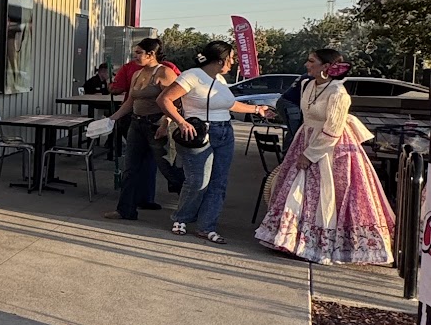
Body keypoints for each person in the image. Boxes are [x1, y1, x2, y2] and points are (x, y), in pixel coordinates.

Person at [254, 49, 394, 264]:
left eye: (311, 61)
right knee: (299, 189)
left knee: (330, 193)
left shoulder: (338, 93)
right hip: (306, 136)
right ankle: (293, 239)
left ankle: (325, 244)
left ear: (326, 67)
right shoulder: (306, 85)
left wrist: (310, 154)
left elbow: (333, 129)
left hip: (332, 149)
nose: (306, 65)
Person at [165, 41, 270, 243]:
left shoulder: (220, 79)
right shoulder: (192, 76)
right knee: (198, 181)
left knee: (218, 182)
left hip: (224, 132)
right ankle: (182, 218)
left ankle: (206, 226)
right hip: (199, 132)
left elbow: (230, 104)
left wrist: (257, 110)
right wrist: (181, 122)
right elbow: (165, 99)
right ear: (220, 60)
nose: (233, 63)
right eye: (230, 58)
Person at [107, 38, 193, 221]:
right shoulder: (137, 74)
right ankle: (126, 210)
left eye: (139, 53)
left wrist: (165, 123)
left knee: (167, 168)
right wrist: (112, 119)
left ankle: (192, 207)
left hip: (157, 124)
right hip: (136, 124)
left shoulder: (164, 73)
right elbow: (131, 101)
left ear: (151, 54)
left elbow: (176, 102)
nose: (135, 56)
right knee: (130, 168)